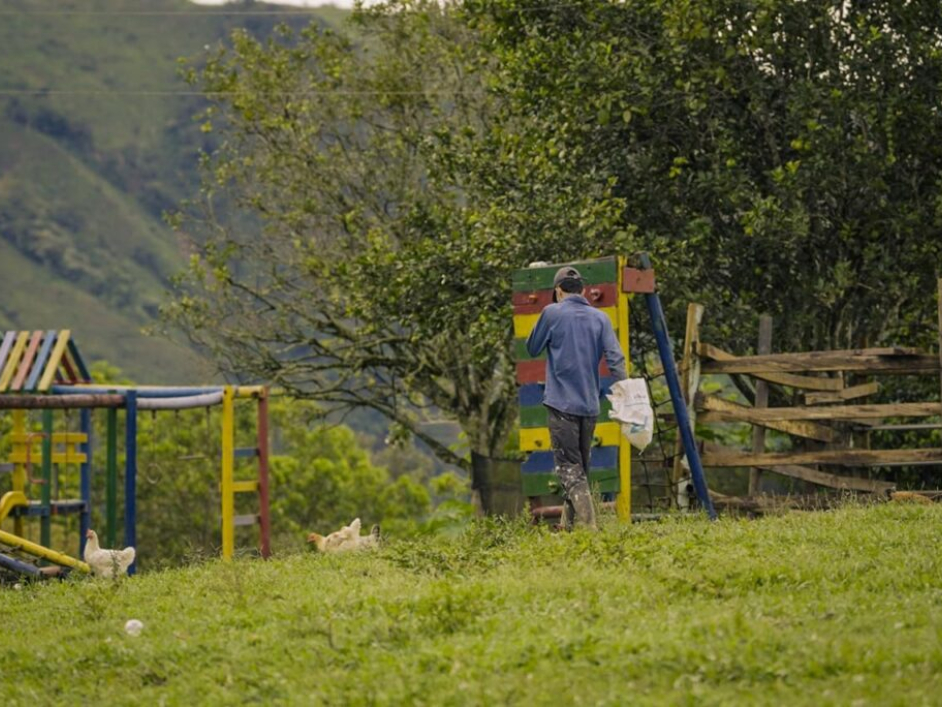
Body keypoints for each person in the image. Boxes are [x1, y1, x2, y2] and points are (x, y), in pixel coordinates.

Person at [525, 265, 628, 529]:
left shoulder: (551, 313)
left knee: (570, 470)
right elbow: (616, 360)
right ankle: (567, 526)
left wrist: (548, 320)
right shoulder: (600, 318)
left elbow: (532, 347)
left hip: (561, 405)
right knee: (580, 468)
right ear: (582, 290)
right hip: (590, 405)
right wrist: (627, 392)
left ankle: (591, 527)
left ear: (558, 291)